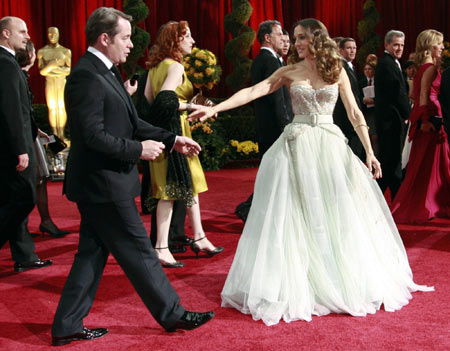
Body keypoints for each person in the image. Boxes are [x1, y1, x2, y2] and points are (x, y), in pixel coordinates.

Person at [190, 18, 432, 326]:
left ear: (317, 38)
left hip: (330, 147)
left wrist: (370, 152)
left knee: (335, 212)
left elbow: (355, 112)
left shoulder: (338, 71)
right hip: (296, 146)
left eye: (302, 37)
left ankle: (335, 276)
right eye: (294, 37)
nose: (296, 42)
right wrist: (215, 109)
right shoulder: (289, 72)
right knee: (296, 213)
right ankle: (298, 278)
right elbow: (255, 90)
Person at [51, 8, 214, 346]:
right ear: (105, 38)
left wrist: (172, 139)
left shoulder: (106, 71)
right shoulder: (85, 76)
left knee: (91, 255)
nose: (131, 44)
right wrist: (138, 151)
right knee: (140, 250)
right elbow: (91, 136)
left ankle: (66, 325)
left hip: (103, 182)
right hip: (103, 183)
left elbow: (132, 123)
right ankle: (172, 314)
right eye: (125, 37)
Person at [142, 20, 223, 267]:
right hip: (174, 134)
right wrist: (191, 106)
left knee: (189, 185)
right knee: (171, 191)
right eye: (187, 36)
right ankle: (162, 247)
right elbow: (164, 103)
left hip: (163, 132)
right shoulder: (175, 66)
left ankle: (199, 236)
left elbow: (147, 102)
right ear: (175, 41)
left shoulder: (155, 66)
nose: (193, 41)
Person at [0, 16, 53, 273]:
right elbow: (12, 112)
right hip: (12, 149)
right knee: (23, 197)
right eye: (22, 31)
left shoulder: (8, 63)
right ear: (5, 34)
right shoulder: (6, 64)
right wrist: (21, 148)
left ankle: (25, 255)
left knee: (14, 199)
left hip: (13, 145)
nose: (28, 35)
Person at [235, 20, 293, 222]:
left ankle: (251, 208)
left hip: (268, 126)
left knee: (274, 172)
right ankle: (249, 208)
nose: (283, 39)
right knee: (274, 172)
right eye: (279, 34)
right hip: (275, 128)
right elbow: (277, 99)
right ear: (267, 38)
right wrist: (287, 126)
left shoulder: (265, 59)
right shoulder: (269, 61)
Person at [392, 29, 450, 223]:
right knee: (428, 163)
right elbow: (423, 95)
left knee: (428, 163)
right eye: (439, 43)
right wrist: (425, 120)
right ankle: (428, 204)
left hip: (429, 116)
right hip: (430, 119)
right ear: (430, 45)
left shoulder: (423, 67)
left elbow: (413, 95)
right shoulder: (430, 67)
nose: (442, 47)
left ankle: (431, 203)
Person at [16, 40, 70, 238]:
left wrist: (36, 129)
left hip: (31, 134)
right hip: (23, 139)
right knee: (34, 182)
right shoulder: (16, 77)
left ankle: (45, 221)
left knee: (41, 179)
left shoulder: (22, 76)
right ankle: (30, 226)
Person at [374, 30, 410, 200]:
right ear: (386, 45)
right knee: (390, 161)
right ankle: (387, 197)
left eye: (402, 45)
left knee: (392, 161)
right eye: (396, 44)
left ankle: (392, 197)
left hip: (392, 121)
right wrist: (409, 114)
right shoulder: (387, 64)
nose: (399, 48)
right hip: (390, 122)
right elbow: (398, 94)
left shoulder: (392, 62)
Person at [333, 37, 364, 161]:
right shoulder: (341, 67)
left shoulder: (350, 66)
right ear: (340, 50)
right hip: (346, 119)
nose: (352, 51)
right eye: (349, 48)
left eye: (354, 48)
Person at [37, 27, 71, 141]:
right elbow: (42, 71)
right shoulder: (42, 52)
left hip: (61, 81)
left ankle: (62, 134)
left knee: (61, 107)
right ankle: (55, 134)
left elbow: (68, 70)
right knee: (52, 108)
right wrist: (53, 64)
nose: (52, 36)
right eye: (50, 34)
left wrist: (51, 68)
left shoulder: (65, 51)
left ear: (58, 35)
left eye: (54, 34)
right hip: (50, 82)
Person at [359, 61, 378, 156]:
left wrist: (374, 100)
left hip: (376, 112)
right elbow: (357, 96)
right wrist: (364, 100)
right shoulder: (361, 81)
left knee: (375, 136)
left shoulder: (378, 81)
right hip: (365, 112)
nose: (367, 71)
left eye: (369, 69)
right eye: (365, 69)